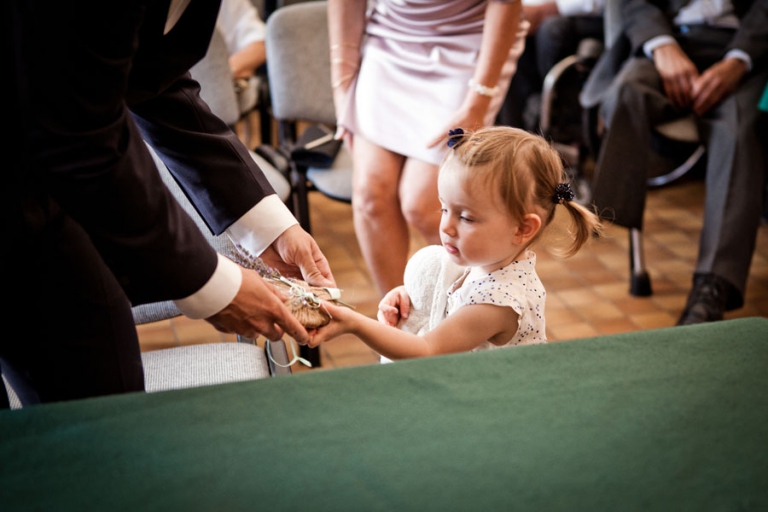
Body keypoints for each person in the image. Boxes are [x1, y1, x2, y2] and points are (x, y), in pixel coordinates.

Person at [4, 0, 335, 406]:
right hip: (39, 168)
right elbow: (81, 137)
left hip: (44, 197)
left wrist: (268, 228)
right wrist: (214, 286)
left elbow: (154, 82)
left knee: (104, 408)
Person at [306, 127, 603, 360]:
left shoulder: (498, 301)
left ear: (522, 228)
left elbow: (425, 351)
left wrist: (354, 324)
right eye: (444, 208)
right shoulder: (489, 261)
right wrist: (407, 297)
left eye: (467, 218)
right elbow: (450, 306)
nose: (446, 226)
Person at [579, 0, 768, 325]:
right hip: (669, 40)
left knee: (738, 133)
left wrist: (739, 59)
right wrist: (661, 44)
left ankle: (712, 287)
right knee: (626, 93)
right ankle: (604, 219)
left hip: (742, 51)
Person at [328, 0, 528, 297]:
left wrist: (479, 100)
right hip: (390, 43)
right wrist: (342, 87)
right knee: (371, 194)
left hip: (469, 42)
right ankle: (398, 326)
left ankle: (477, 315)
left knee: (424, 204)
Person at [497, 0, 605, 132]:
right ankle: (511, 132)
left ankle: (557, 111)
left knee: (551, 29)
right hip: (541, 17)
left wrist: (547, 9)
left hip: (591, 16)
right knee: (510, 29)